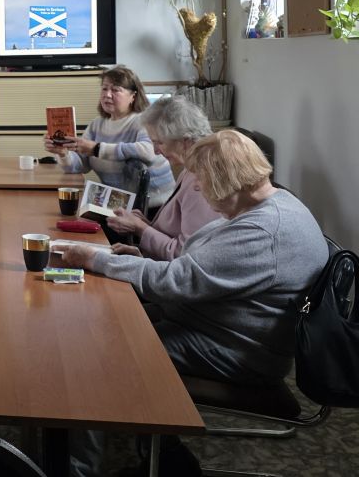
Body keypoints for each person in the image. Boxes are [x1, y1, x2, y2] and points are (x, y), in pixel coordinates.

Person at [58, 130, 328, 476]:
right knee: (107, 321)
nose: (197, 188)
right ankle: (157, 442)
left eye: (200, 179)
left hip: (235, 351)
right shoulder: (277, 202)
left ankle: (79, 469)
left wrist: (92, 259)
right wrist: (141, 257)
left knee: (93, 359)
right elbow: (198, 268)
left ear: (226, 179)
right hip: (220, 325)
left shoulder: (261, 231)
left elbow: (175, 283)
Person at [44, 65, 176, 211]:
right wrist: (63, 153)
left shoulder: (143, 121)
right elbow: (79, 165)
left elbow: (149, 152)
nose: (107, 94)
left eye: (115, 90)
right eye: (104, 88)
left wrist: (97, 148)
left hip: (154, 207)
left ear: (133, 96)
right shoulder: (96, 125)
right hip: (117, 204)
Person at [105, 96, 221, 260]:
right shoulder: (191, 168)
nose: (155, 150)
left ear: (185, 141)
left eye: (159, 142)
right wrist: (145, 224)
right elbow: (175, 230)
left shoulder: (202, 181)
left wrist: (140, 228)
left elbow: (185, 256)